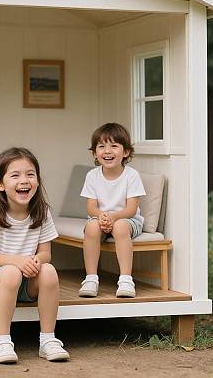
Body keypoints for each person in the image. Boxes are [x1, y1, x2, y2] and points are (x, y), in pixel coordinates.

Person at [0, 147, 70, 364]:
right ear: (0, 184)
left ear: (37, 180)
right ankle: (2, 341)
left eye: (30, 174)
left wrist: (36, 261)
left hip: (26, 282)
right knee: (10, 274)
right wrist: (17, 261)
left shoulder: (41, 213)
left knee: (49, 271)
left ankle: (48, 339)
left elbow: (45, 253)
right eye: (15, 175)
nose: (24, 180)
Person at [78, 123, 146, 299]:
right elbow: (91, 208)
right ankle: (91, 278)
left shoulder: (131, 176)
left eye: (114, 146)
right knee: (92, 228)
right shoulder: (92, 176)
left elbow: (131, 209)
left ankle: (125, 280)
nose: (107, 151)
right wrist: (102, 217)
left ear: (126, 152)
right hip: (100, 219)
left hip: (128, 220)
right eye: (101, 146)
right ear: (95, 153)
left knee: (120, 227)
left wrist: (113, 217)